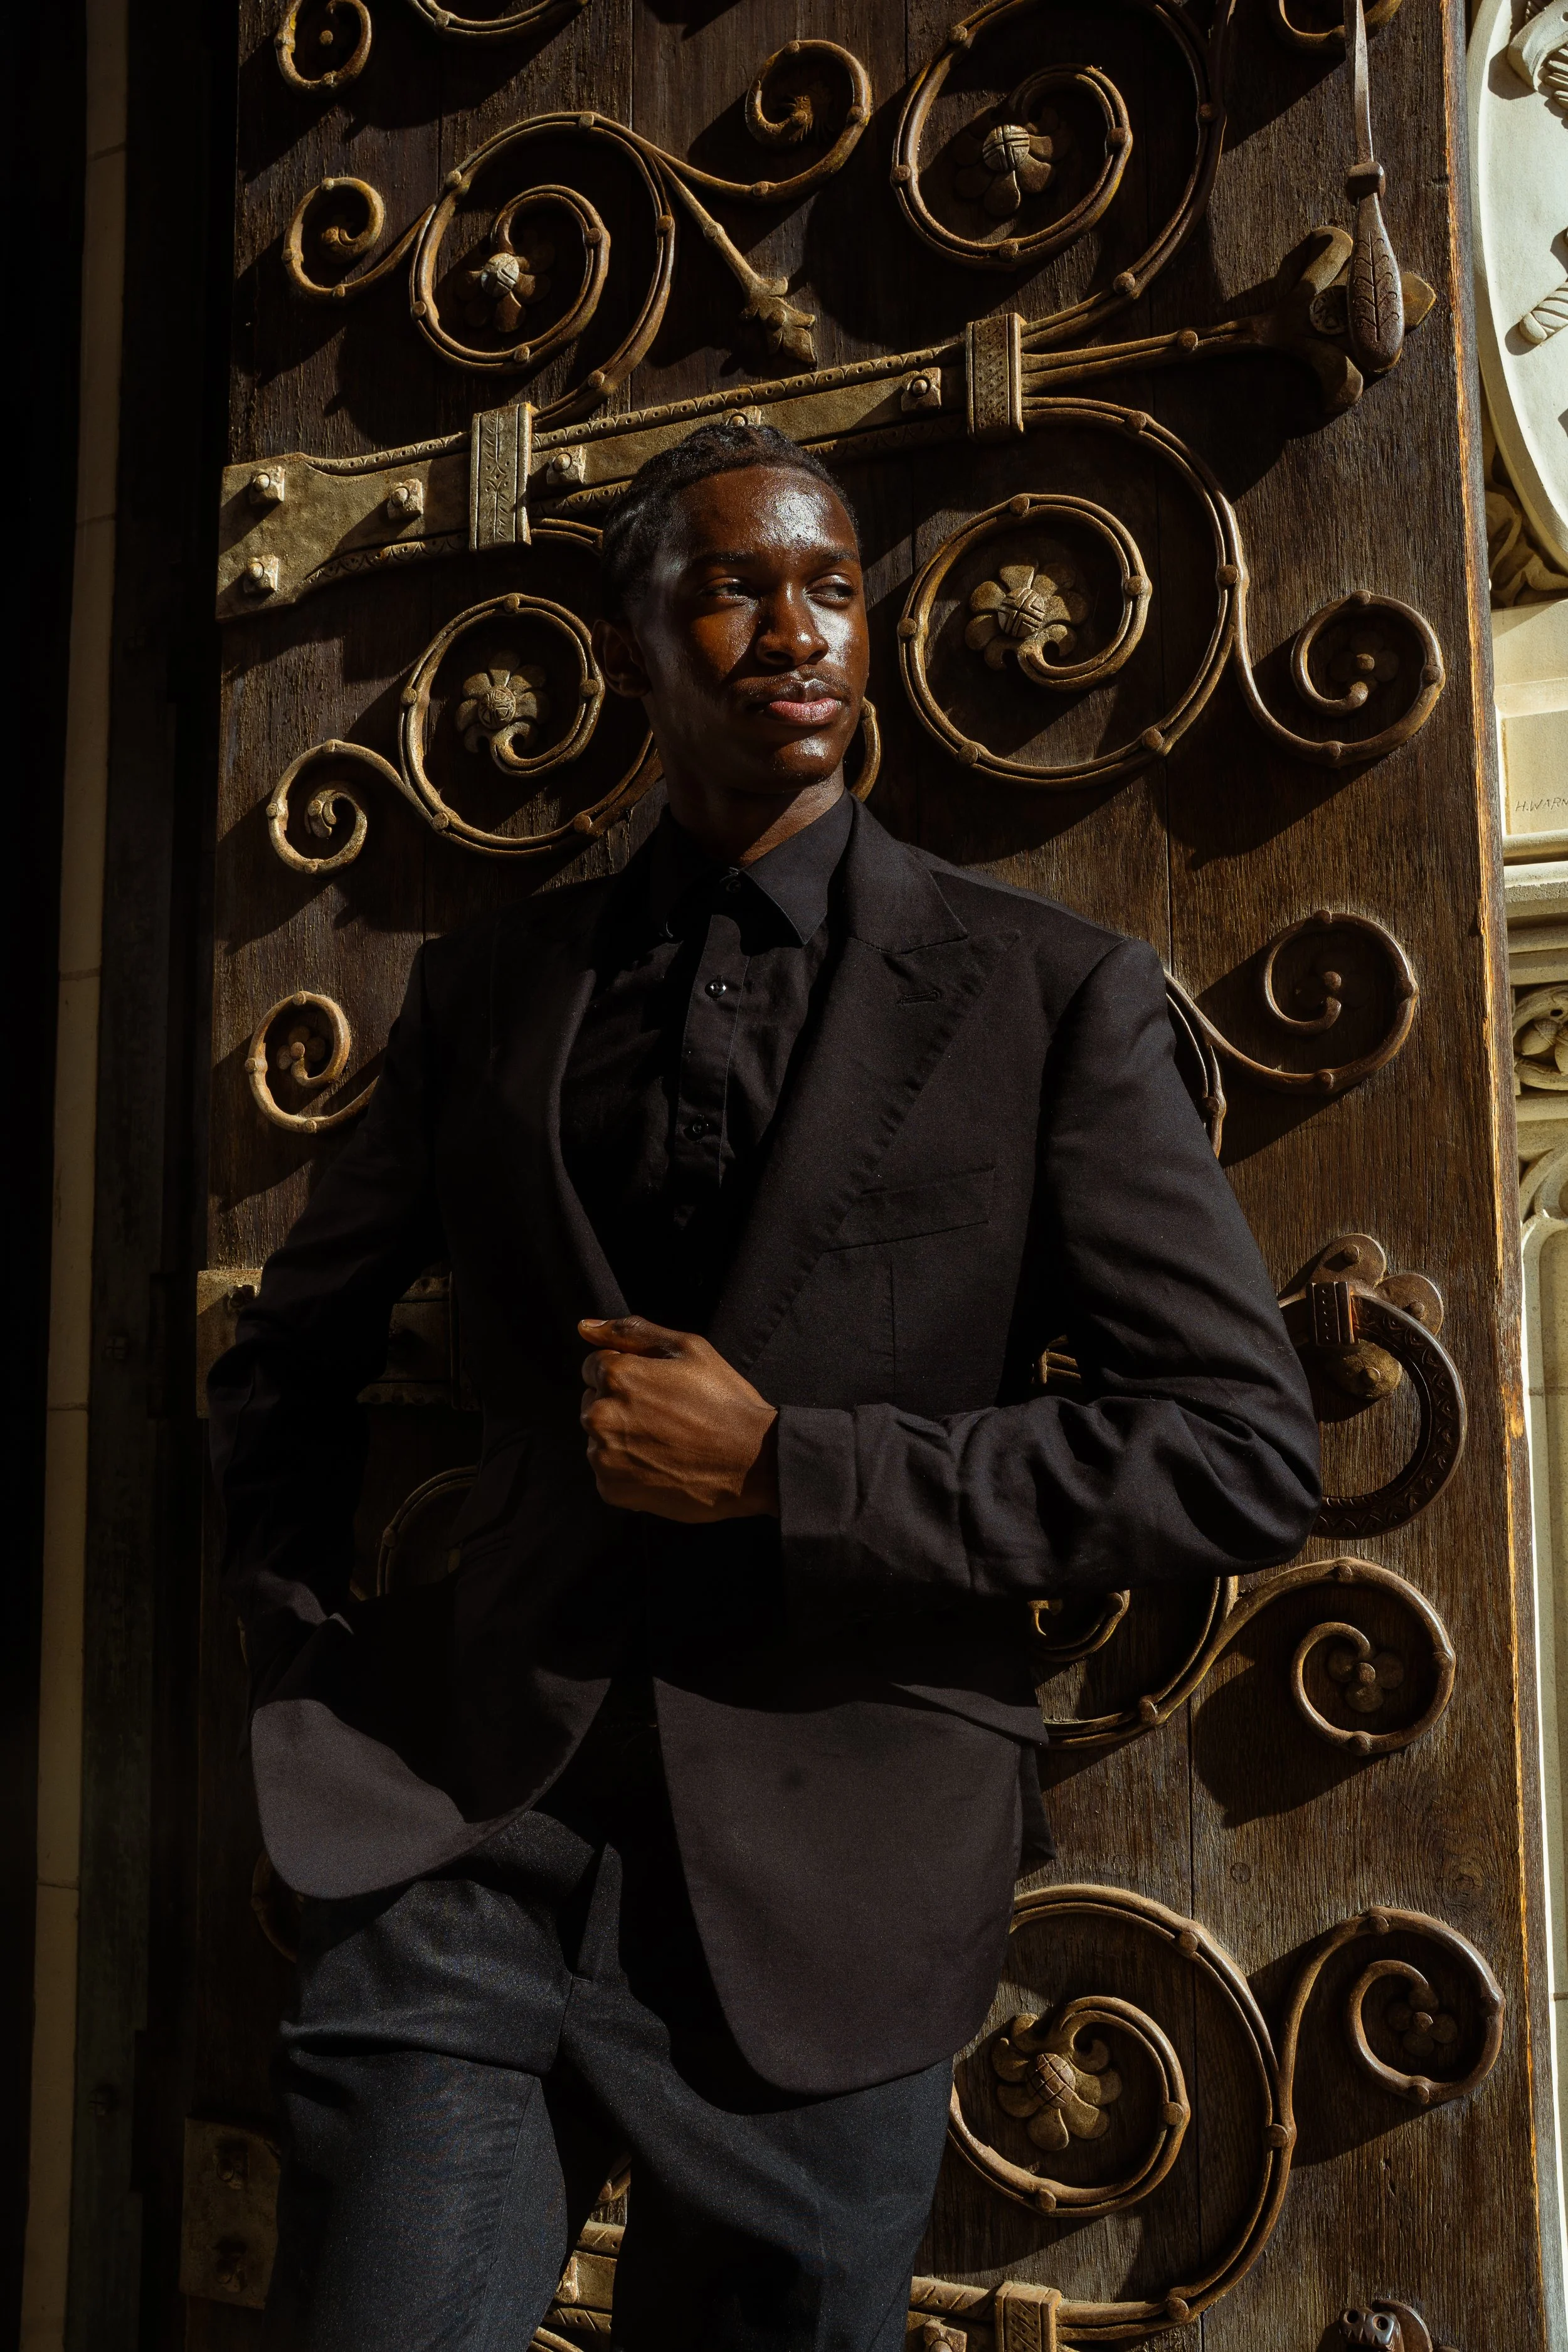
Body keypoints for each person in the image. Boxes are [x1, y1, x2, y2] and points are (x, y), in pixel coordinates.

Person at [208, 420, 1321, 2351]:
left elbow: (1235, 1454)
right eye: (732, 588)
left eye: (828, 587)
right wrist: (305, 1674)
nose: (795, 630)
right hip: (471, 1838)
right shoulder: (491, 988)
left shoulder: (1047, 995)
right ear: (631, 646)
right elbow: (290, 1358)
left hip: (838, 1885)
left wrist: (789, 1469)